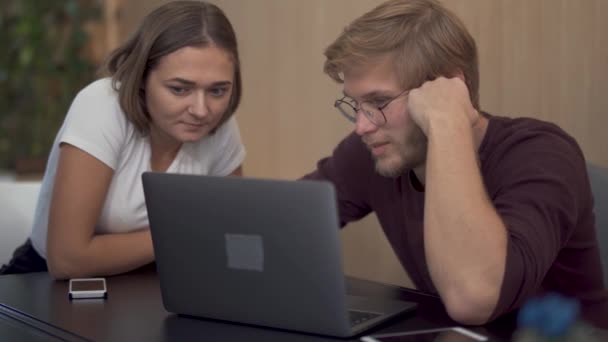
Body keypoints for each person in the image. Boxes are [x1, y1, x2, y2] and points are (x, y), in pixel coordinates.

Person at [304, 0, 607, 327]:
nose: (362, 126)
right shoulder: (375, 148)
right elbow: (285, 224)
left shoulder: (544, 154)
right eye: (356, 104)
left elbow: (473, 298)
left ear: (450, 89)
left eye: (379, 102)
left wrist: (448, 123)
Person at [0, 1, 246, 279]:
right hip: (44, 283)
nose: (201, 110)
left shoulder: (220, 124)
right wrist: (184, 233)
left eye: (217, 91)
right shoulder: (102, 105)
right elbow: (67, 258)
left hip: (154, 281)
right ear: (141, 76)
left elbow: (230, 232)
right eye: (179, 89)